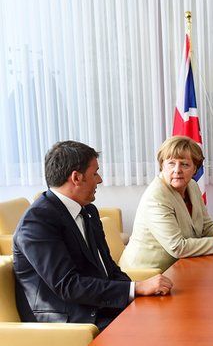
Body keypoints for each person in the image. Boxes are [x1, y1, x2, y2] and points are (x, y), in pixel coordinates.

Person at [13, 141, 173, 331]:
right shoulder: (37, 222)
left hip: (98, 306)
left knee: (168, 316)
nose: (100, 180)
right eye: (95, 172)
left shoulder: (88, 211)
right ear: (76, 177)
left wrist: (137, 291)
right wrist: (135, 288)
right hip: (70, 321)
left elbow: (109, 269)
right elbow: (68, 285)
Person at [120, 136, 213, 272]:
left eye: (184, 164)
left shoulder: (192, 186)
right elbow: (177, 247)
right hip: (146, 273)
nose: (177, 170)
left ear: (195, 169)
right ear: (162, 166)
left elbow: (205, 225)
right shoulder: (156, 196)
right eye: (171, 163)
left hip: (178, 267)